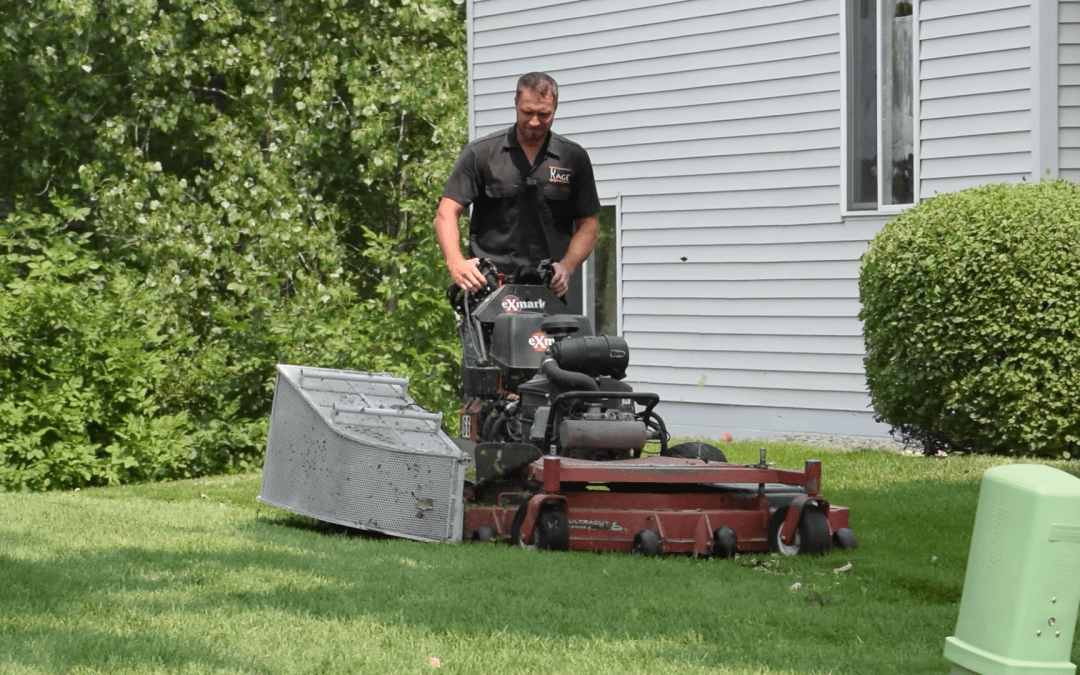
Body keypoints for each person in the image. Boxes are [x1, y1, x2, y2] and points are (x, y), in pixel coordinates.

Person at [435, 72, 601, 299]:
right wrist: (455, 263)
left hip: (549, 292)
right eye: (527, 112)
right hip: (490, 289)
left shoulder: (573, 158)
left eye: (543, 114)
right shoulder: (481, 153)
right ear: (515, 104)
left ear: (556, 108)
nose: (534, 121)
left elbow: (589, 225)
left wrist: (567, 266)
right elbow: (446, 211)